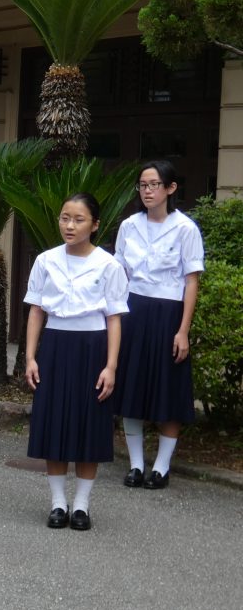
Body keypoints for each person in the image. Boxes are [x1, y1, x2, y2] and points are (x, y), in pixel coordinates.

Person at [24, 193, 128, 531]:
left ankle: (81, 505)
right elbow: (37, 311)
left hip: (92, 347)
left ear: (95, 224)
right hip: (55, 346)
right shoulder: (45, 260)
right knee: (54, 422)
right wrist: (30, 356)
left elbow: (114, 318)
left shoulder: (109, 265)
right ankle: (57, 503)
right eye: (65, 217)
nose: (69, 225)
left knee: (89, 424)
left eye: (79, 219)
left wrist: (110, 365)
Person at [114, 161, 204, 490]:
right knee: (132, 388)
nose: (148, 190)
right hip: (133, 310)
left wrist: (183, 330)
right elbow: (119, 274)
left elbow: (190, 281)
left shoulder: (185, 228)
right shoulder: (129, 226)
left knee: (168, 391)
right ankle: (136, 465)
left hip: (169, 314)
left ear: (170, 188)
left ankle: (162, 467)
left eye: (154, 184)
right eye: (142, 185)